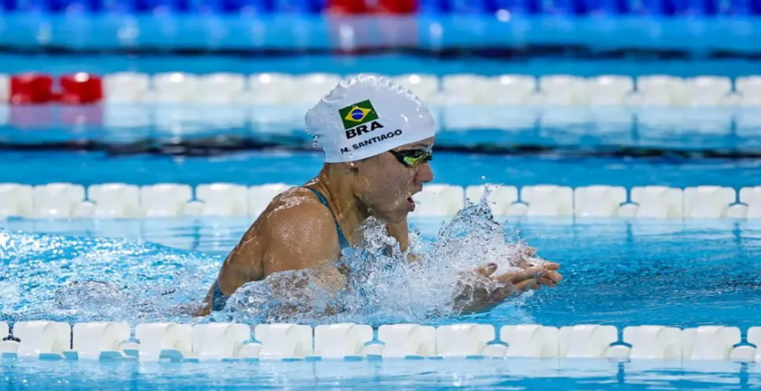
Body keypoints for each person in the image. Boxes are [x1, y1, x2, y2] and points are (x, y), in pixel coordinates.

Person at [198, 75, 561, 317]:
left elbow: (412, 290)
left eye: (427, 156)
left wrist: (488, 277)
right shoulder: (302, 221)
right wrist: (458, 304)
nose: (427, 175)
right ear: (355, 157)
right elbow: (307, 336)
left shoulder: (383, 213)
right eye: (412, 156)